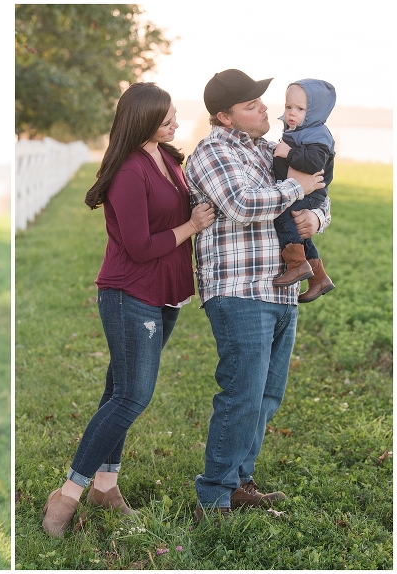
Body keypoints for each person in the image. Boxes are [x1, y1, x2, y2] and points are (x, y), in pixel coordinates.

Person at [40, 82, 215, 538]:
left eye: (175, 115)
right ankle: (67, 494)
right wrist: (192, 226)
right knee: (133, 396)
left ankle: (106, 486)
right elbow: (139, 246)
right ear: (142, 120)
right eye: (166, 118)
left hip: (166, 293)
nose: (175, 123)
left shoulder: (169, 159)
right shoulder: (128, 171)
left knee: (119, 390)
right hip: (130, 290)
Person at [185, 69, 330, 524]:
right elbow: (244, 204)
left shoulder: (270, 150)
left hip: (282, 289)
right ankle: (213, 497)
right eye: (251, 105)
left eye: (262, 101)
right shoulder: (211, 151)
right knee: (242, 393)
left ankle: (240, 482)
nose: (265, 109)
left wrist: (316, 221)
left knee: (267, 395)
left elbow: (319, 187)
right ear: (225, 117)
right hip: (239, 288)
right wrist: (297, 189)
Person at [272, 79, 336, 302]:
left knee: (283, 216)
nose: (291, 113)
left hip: (310, 192)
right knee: (298, 233)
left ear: (314, 113)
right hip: (302, 191)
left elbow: (313, 164)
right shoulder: (298, 130)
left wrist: (288, 153)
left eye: (300, 109)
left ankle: (297, 265)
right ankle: (319, 278)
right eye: (288, 107)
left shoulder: (317, 135)